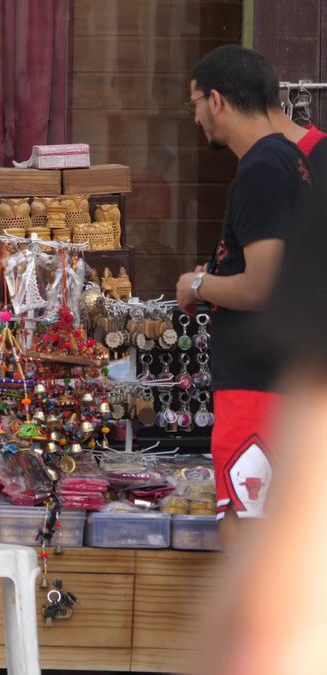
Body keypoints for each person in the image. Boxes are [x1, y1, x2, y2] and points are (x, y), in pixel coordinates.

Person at [174, 45, 312, 545]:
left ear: (217, 100)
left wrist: (197, 285)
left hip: (257, 387)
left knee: (246, 537)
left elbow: (262, 284)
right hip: (274, 380)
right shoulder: (289, 159)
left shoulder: (262, 169)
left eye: (193, 103)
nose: (194, 117)